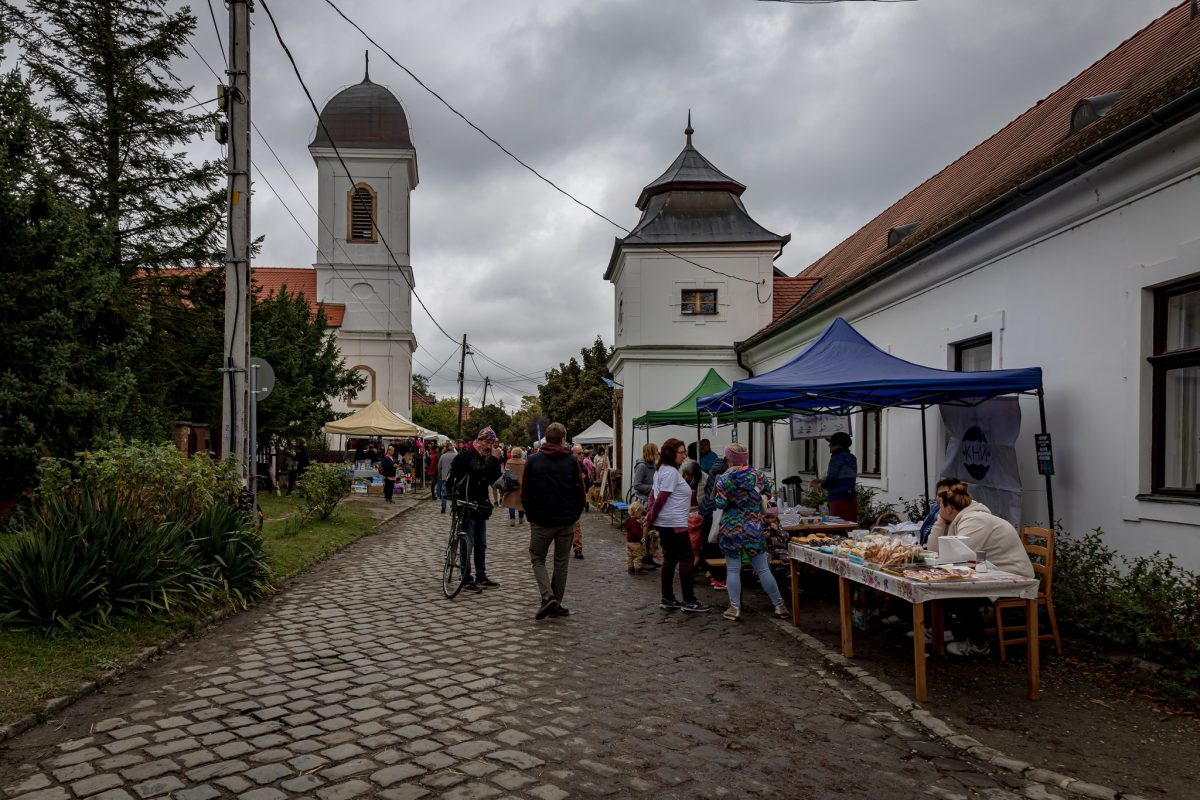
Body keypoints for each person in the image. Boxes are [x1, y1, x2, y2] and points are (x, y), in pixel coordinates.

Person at [928, 482, 1035, 656]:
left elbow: (958, 558)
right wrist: (940, 522)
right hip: (991, 571)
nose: (936, 509)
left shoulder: (975, 520)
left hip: (1012, 575)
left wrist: (942, 524)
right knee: (948, 590)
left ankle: (979, 645)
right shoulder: (962, 518)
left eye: (940, 506)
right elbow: (934, 551)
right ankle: (948, 633)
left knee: (959, 593)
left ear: (949, 509)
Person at [709, 444, 788, 621]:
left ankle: (735, 607)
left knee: (733, 569)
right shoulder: (758, 475)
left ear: (729, 459)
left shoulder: (723, 479)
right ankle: (779, 605)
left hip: (731, 527)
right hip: (753, 525)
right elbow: (768, 494)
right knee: (762, 568)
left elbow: (720, 504)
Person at [522, 422, 587, 619]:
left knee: (537, 557)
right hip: (565, 519)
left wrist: (531, 515)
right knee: (561, 562)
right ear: (562, 439)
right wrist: (575, 514)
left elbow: (525, 493)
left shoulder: (533, 461)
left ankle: (548, 597)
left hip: (542, 519)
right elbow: (580, 491)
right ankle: (555, 601)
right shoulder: (571, 461)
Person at [646, 438, 709, 613]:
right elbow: (661, 497)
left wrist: (651, 515)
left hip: (667, 522)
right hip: (674, 523)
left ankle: (668, 597)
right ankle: (688, 600)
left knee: (670, 558)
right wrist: (650, 515)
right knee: (687, 558)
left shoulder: (661, 470)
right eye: (682, 452)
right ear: (671, 453)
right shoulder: (670, 473)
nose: (684, 456)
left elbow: (653, 495)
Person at [450, 427, 504, 593]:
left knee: (481, 544)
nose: (489, 447)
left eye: (492, 444)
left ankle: (481, 576)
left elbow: (491, 479)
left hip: (480, 506)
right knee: (469, 543)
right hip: (465, 504)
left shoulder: (483, 457)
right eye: (487, 442)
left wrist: (496, 462)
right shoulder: (467, 455)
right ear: (479, 440)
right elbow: (477, 472)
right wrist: (493, 460)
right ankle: (466, 579)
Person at [811, 431, 858, 522]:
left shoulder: (836, 458)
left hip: (838, 499)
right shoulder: (852, 457)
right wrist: (822, 480)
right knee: (850, 526)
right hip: (851, 498)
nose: (829, 445)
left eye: (831, 443)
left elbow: (831, 481)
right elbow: (843, 478)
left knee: (837, 527)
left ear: (837, 445)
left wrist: (819, 485)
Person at [919, 477, 961, 545]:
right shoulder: (934, 510)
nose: (942, 499)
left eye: (945, 495)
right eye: (939, 495)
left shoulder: (957, 515)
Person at [571, 443, 589, 556]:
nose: (582, 455)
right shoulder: (569, 466)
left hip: (577, 501)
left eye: (582, 453)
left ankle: (577, 548)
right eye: (579, 453)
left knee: (576, 525)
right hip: (569, 499)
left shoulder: (582, 466)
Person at [502, 446, 527, 526]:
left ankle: (512, 519)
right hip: (522, 485)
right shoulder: (524, 462)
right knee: (520, 502)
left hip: (511, 485)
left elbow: (506, 473)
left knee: (511, 502)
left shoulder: (509, 462)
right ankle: (521, 518)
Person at [622, 501, 647, 575]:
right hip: (635, 542)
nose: (641, 514)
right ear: (637, 512)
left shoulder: (630, 520)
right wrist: (641, 539)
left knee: (630, 556)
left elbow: (625, 526)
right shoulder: (636, 522)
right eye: (641, 512)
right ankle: (638, 569)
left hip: (629, 542)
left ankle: (630, 568)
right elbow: (635, 532)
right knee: (638, 556)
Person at [437, 442, 457, 513]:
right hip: (454, 478)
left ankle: (443, 506)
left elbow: (439, 467)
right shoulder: (456, 455)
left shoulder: (443, 456)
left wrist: (440, 475)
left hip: (445, 477)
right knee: (454, 492)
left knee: (444, 493)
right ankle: (454, 505)